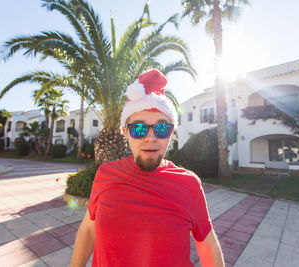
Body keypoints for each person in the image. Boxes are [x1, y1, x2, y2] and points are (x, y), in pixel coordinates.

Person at [71, 69, 225, 267]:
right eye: (139, 128)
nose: (150, 137)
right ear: (125, 132)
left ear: (171, 133)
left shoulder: (189, 183)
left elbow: (207, 244)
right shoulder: (106, 174)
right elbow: (89, 228)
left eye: (161, 128)